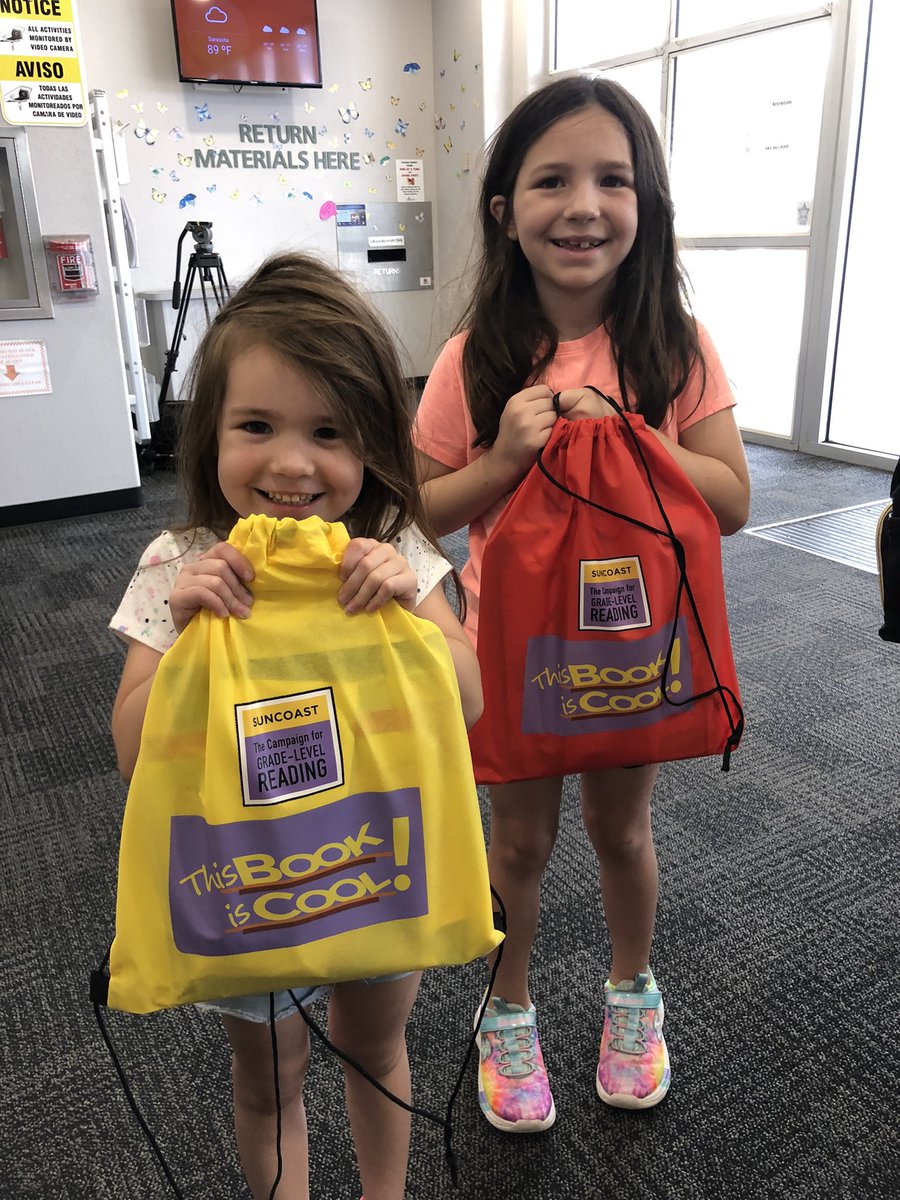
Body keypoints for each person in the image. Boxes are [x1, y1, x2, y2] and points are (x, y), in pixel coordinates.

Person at [414, 75, 751, 1132]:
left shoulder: (677, 349)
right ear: (507, 211)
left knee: (622, 829)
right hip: (511, 648)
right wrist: (506, 459)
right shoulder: (471, 360)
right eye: (552, 179)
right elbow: (418, 516)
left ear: (645, 206)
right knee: (516, 847)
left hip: (634, 644)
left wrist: (639, 437)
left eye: (613, 179)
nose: (584, 205)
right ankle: (505, 1010)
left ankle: (631, 994)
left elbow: (732, 500)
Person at [109, 252, 483, 1200]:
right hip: (247, 869)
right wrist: (190, 625)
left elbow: (470, 700)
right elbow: (130, 749)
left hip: (373, 858)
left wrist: (407, 609)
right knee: (270, 1077)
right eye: (256, 427)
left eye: (328, 431)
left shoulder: (392, 550)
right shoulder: (177, 562)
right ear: (209, 434)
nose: (290, 462)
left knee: (375, 1046)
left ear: (373, 446)